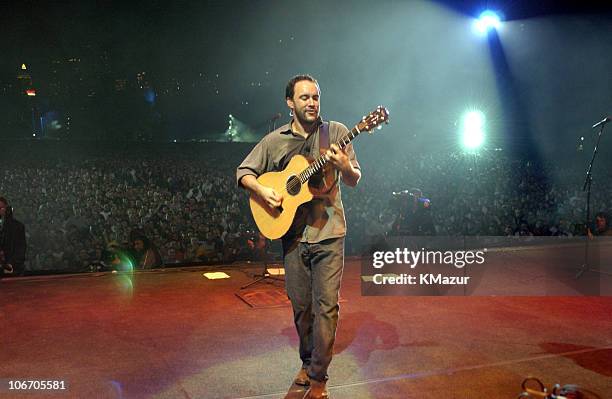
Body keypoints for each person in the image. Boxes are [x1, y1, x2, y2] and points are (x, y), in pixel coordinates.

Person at [236, 74, 361, 398]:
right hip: (292, 235)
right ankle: (307, 362)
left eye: (316, 97)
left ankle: (319, 378)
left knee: (327, 307)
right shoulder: (274, 140)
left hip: (330, 232)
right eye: (304, 98)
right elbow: (243, 172)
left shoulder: (334, 133)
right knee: (301, 307)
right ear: (290, 103)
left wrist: (345, 164)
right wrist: (264, 190)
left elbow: (354, 179)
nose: (312, 103)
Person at [0, 197, 26, 277]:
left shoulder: (17, 227)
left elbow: (20, 248)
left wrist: (11, 264)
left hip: (12, 270)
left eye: (1, 208)